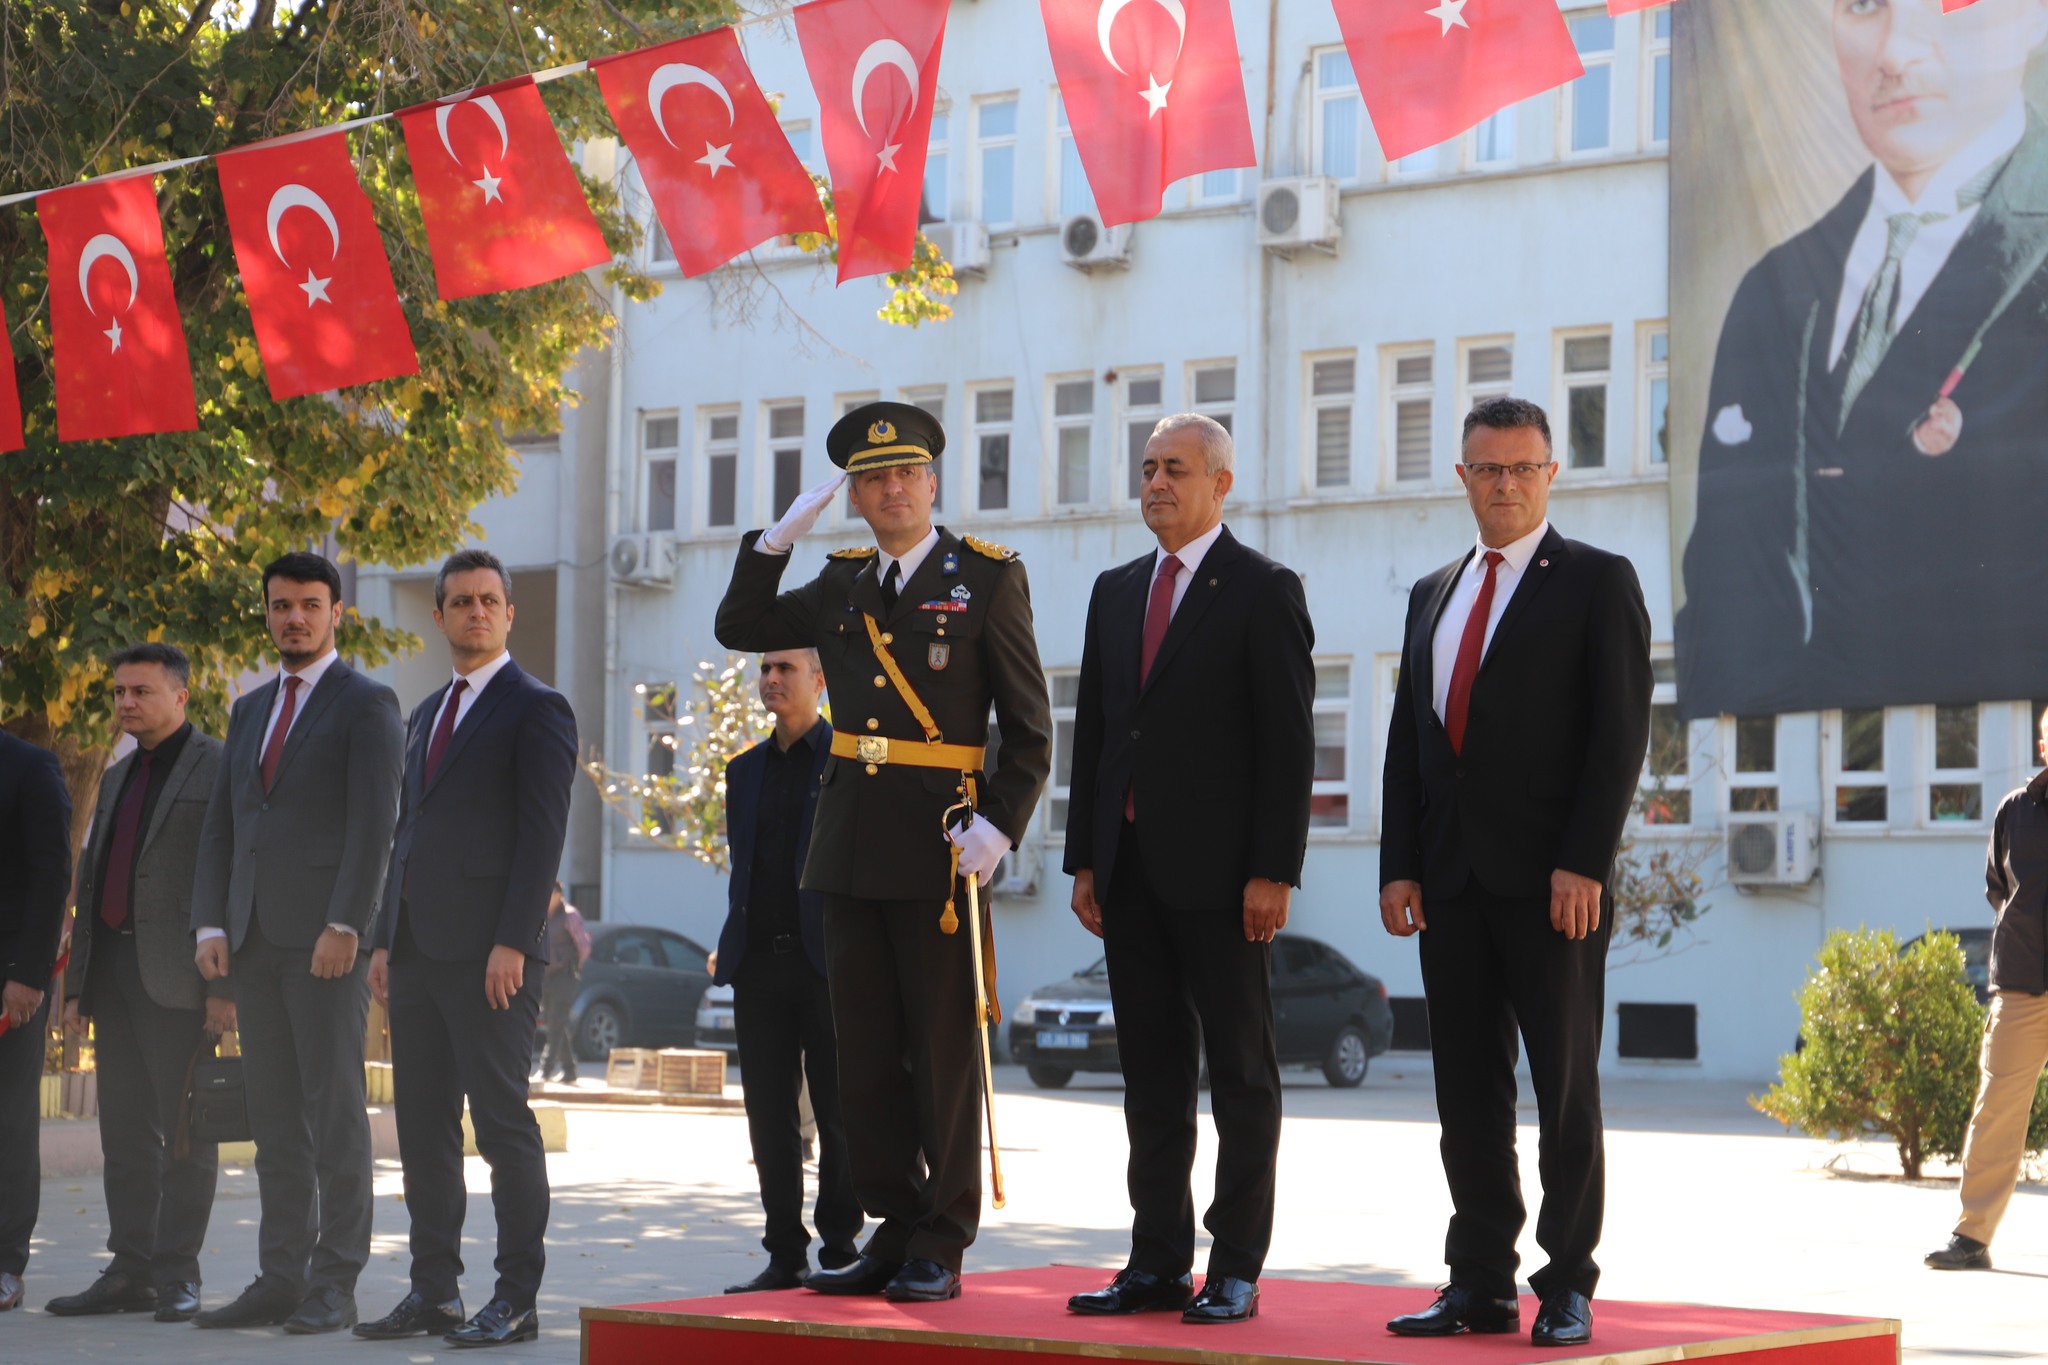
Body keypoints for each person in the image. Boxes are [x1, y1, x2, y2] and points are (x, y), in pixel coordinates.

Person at [715, 401, 1051, 1304]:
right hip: (847, 843)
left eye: (904, 473)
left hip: (941, 843)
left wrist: (1002, 823)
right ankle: (892, 1225)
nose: (889, 488)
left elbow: (1029, 727)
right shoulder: (839, 582)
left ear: (932, 482)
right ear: (855, 497)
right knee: (861, 1051)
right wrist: (778, 536)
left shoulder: (984, 577)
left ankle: (943, 1234)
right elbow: (738, 621)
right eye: (871, 479)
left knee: (939, 1050)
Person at [1678, 0, 2048, 718]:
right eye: (1863, 6)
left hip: (1987, 757)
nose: (1896, 51)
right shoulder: (1772, 289)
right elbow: (1725, 582)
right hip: (1821, 761)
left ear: (2035, 16)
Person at [1379, 397, 1651, 1347]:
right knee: (1467, 1095)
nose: (1504, 484)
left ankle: (1567, 1281)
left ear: (1550, 475)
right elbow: (1410, 743)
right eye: (1487, 469)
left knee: (1565, 1090)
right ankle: (1480, 1282)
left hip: (1554, 890)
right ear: (1461, 477)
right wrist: (1399, 864)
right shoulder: (1432, 592)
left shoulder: (1596, 582)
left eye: (1521, 468)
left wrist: (1585, 860)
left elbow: (1619, 738)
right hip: (1450, 886)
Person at [1061, 415, 1315, 1327]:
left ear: (1221, 483)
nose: (1157, 482)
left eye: (1175, 468)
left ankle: (1235, 1265)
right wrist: (1084, 856)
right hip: (1128, 877)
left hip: (1223, 883)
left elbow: (1289, 745)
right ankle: (1157, 1261)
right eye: (1147, 468)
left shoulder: (1261, 589)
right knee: (1150, 1077)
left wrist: (1272, 870)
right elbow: (1095, 729)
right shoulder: (1115, 590)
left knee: (1242, 1074)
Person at [359, 549, 577, 1348]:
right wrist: (385, 940)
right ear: (441, 613)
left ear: (509, 614)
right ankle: (434, 1291)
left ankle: (515, 1297)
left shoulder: (537, 707)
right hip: (416, 954)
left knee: (501, 1126)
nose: (476, 611)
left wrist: (513, 939)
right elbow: (405, 834)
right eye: (461, 601)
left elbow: (543, 833)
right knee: (421, 1127)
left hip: (494, 957)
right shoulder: (425, 712)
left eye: (490, 600)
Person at [189, 551, 404, 1334]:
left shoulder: (367, 703)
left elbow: (376, 825)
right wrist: (211, 922)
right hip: (251, 942)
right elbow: (225, 825)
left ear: (336, 612)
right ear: (268, 612)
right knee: (273, 1118)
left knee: (335, 1116)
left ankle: (334, 1280)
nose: (294, 618)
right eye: (281, 605)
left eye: (310, 605)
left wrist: (348, 923)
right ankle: (279, 1276)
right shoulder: (248, 709)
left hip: (325, 945)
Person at [50, 644, 231, 1323]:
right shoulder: (118, 772)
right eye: (121, 690)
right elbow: (94, 877)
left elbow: (231, 875)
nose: (126, 702)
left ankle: (177, 1272)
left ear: (181, 695)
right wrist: (77, 986)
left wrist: (227, 985)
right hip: (115, 979)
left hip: (184, 980)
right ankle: (130, 1270)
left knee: (185, 1135)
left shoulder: (217, 767)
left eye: (141, 691)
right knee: (123, 1135)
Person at [712, 647, 862, 1294]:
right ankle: (783, 1251)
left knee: (839, 1111)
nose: (772, 678)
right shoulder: (741, 769)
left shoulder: (851, 758)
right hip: (757, 965)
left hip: (827, 964)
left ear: (820, 680)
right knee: (769, 1116)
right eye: (765, 668)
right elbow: (743, 865)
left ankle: (839, 1246)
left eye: (786, 669)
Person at [1926, 706, 2048, 1272]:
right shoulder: (2014, 812)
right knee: (1997, 1107)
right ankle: (1972, 1237)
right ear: (2043, 746)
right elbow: (1997, 888)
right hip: (2021, 982)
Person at [0, 730, 73, 1313]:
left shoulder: (29, 766)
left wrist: (28, 974)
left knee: (7, 1118)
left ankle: (5, 1262)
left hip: (9, 981)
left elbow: (52, 876)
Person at [536, 883, 585, 1085]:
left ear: (557, 894)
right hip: (546, 975)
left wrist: (573, 967)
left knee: (556, 1021)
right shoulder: (541, 914)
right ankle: (569, 1070)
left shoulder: (570, 915)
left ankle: (545, 1069)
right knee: (554, 1021)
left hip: (565, 976)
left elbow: (584, 946)